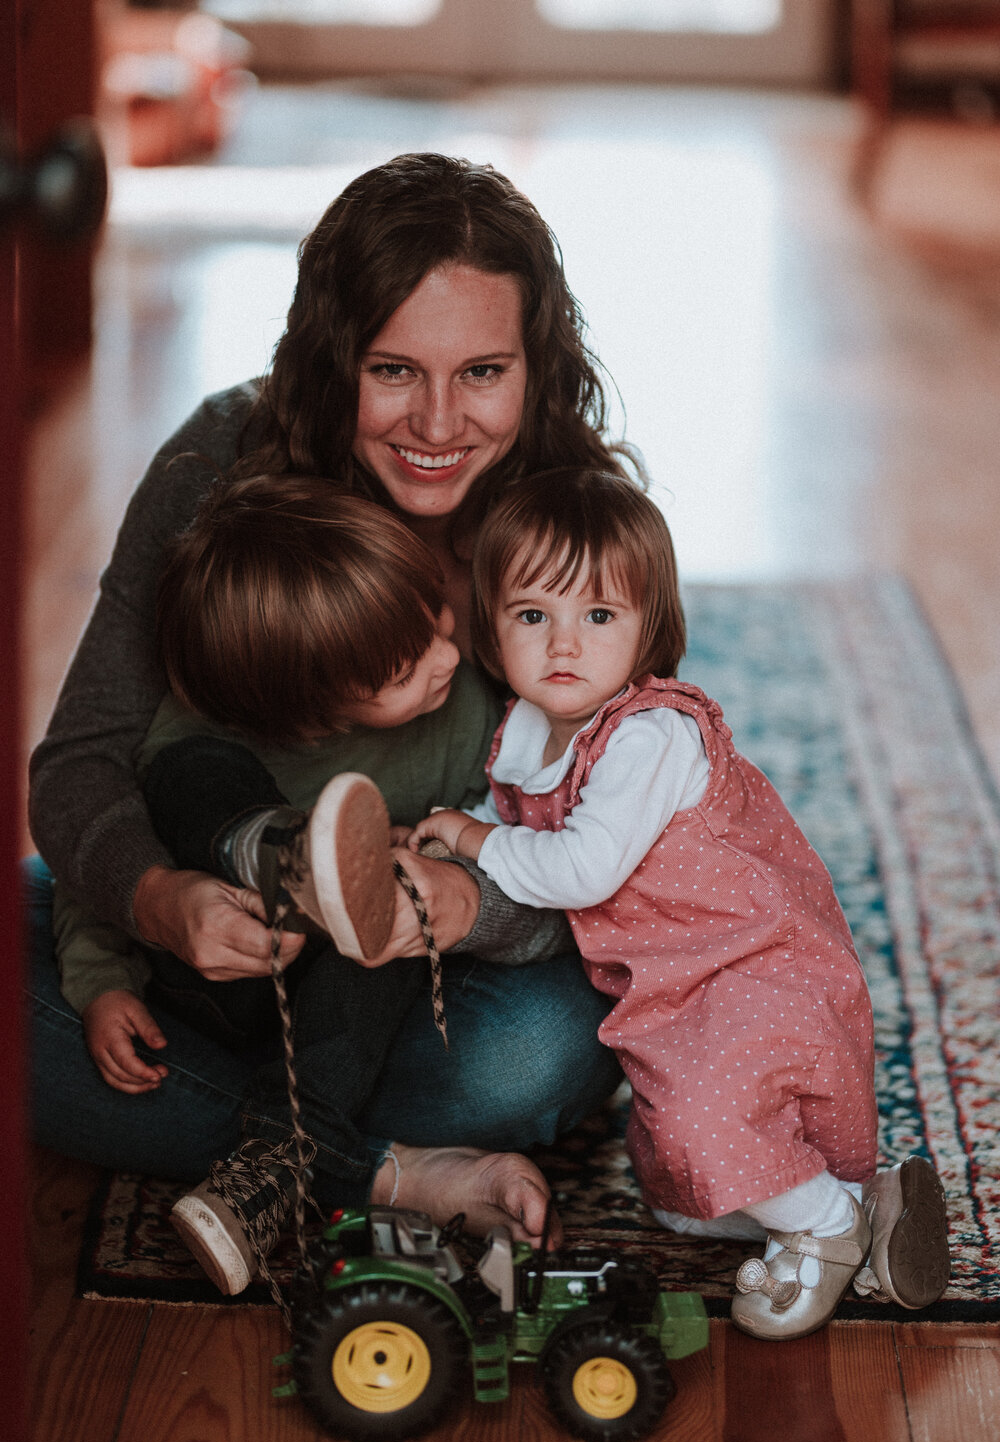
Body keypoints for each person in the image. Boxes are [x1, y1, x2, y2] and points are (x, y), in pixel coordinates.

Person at [26, 154, 626, 1264]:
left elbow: (618, 866)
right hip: (215, 950)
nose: (437, 422)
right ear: (327, 356)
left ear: (537, 372)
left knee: (540, 1057)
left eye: (482, 371)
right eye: (393, 369)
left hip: (430, 981)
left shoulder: (578, 533)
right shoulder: (221, 462)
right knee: (53, 956)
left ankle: (301, 1136)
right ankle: (383, 1163)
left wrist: (460, 905)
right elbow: (87, 765)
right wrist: (159, 905)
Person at [389, 469, 951, 1340]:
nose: (563, 644)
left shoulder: (649, 735)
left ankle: (826, 1229)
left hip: (747, 960)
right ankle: (858, 1203)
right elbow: (515, 830)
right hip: (667, 981)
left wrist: (468, 839)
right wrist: (432, 845)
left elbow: (574, 870)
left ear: (650, 627)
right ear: (494, 630)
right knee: (678, 1200)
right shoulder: (528, 731)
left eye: (599, 616)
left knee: (709, 1121)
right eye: (533, 615)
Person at [52, 472, 507, 1293]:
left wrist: (443, 860)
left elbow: (517, 847)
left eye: (433, 611)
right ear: (311, 710)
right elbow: (94, 872)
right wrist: (100, 983)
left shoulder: (468, 710)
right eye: (407, 665)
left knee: (388, 910)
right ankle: (279, 851)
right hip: (212, 979)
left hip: (343, 1013)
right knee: (190, 777)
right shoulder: (199, 731)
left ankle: (290, 1152)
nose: (447, 653)